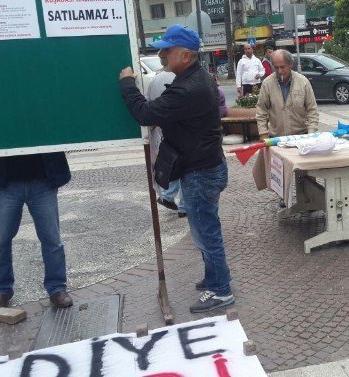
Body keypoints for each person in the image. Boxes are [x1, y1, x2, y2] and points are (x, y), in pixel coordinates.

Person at [118, 24, 233, 313]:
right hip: (206, 167)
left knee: (206, 233)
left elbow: (144, 113)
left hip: (200, 173)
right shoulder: (198, 77)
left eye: (167, 50)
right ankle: (214, 277)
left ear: (185, 55)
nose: (161, 54)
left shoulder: (186, 88)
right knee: (207, 229)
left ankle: (221, 291)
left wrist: (127, 84)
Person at [0, 152, 73, 311]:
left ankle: (57, 287)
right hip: (4, 181)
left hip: (43, 179)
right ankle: (2, 290)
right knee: (0, 240)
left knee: (52, 238)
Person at [147, 59, 187, 218]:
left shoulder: (155, 80)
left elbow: (148, 104)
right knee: (185, 167)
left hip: (162, 130)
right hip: (181, 130)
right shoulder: (181, 78)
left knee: (172, 164)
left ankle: (168, 195)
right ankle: (183, 206)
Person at [256, 49, 319, 140]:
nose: (280, 71)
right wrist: (263, 134)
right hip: (276, 138)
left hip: (301, 136)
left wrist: (311, 133)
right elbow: (261, 110)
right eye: (276, 67)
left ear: (290, 65)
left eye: (282, 67)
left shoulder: (303, 82)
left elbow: (312, 110)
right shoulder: (267, 83)